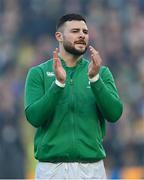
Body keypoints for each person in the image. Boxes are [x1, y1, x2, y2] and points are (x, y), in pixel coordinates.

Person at [24, 13, 123, 179]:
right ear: (59, 36)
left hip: (92, 169)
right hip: (52, 169)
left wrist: (95, 79)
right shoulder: (38, 73)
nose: (82, 35)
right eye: (75, 31)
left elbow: (114, 114)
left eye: (85, 32)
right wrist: (58, 84)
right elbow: (34, 117)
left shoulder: (101, 72)